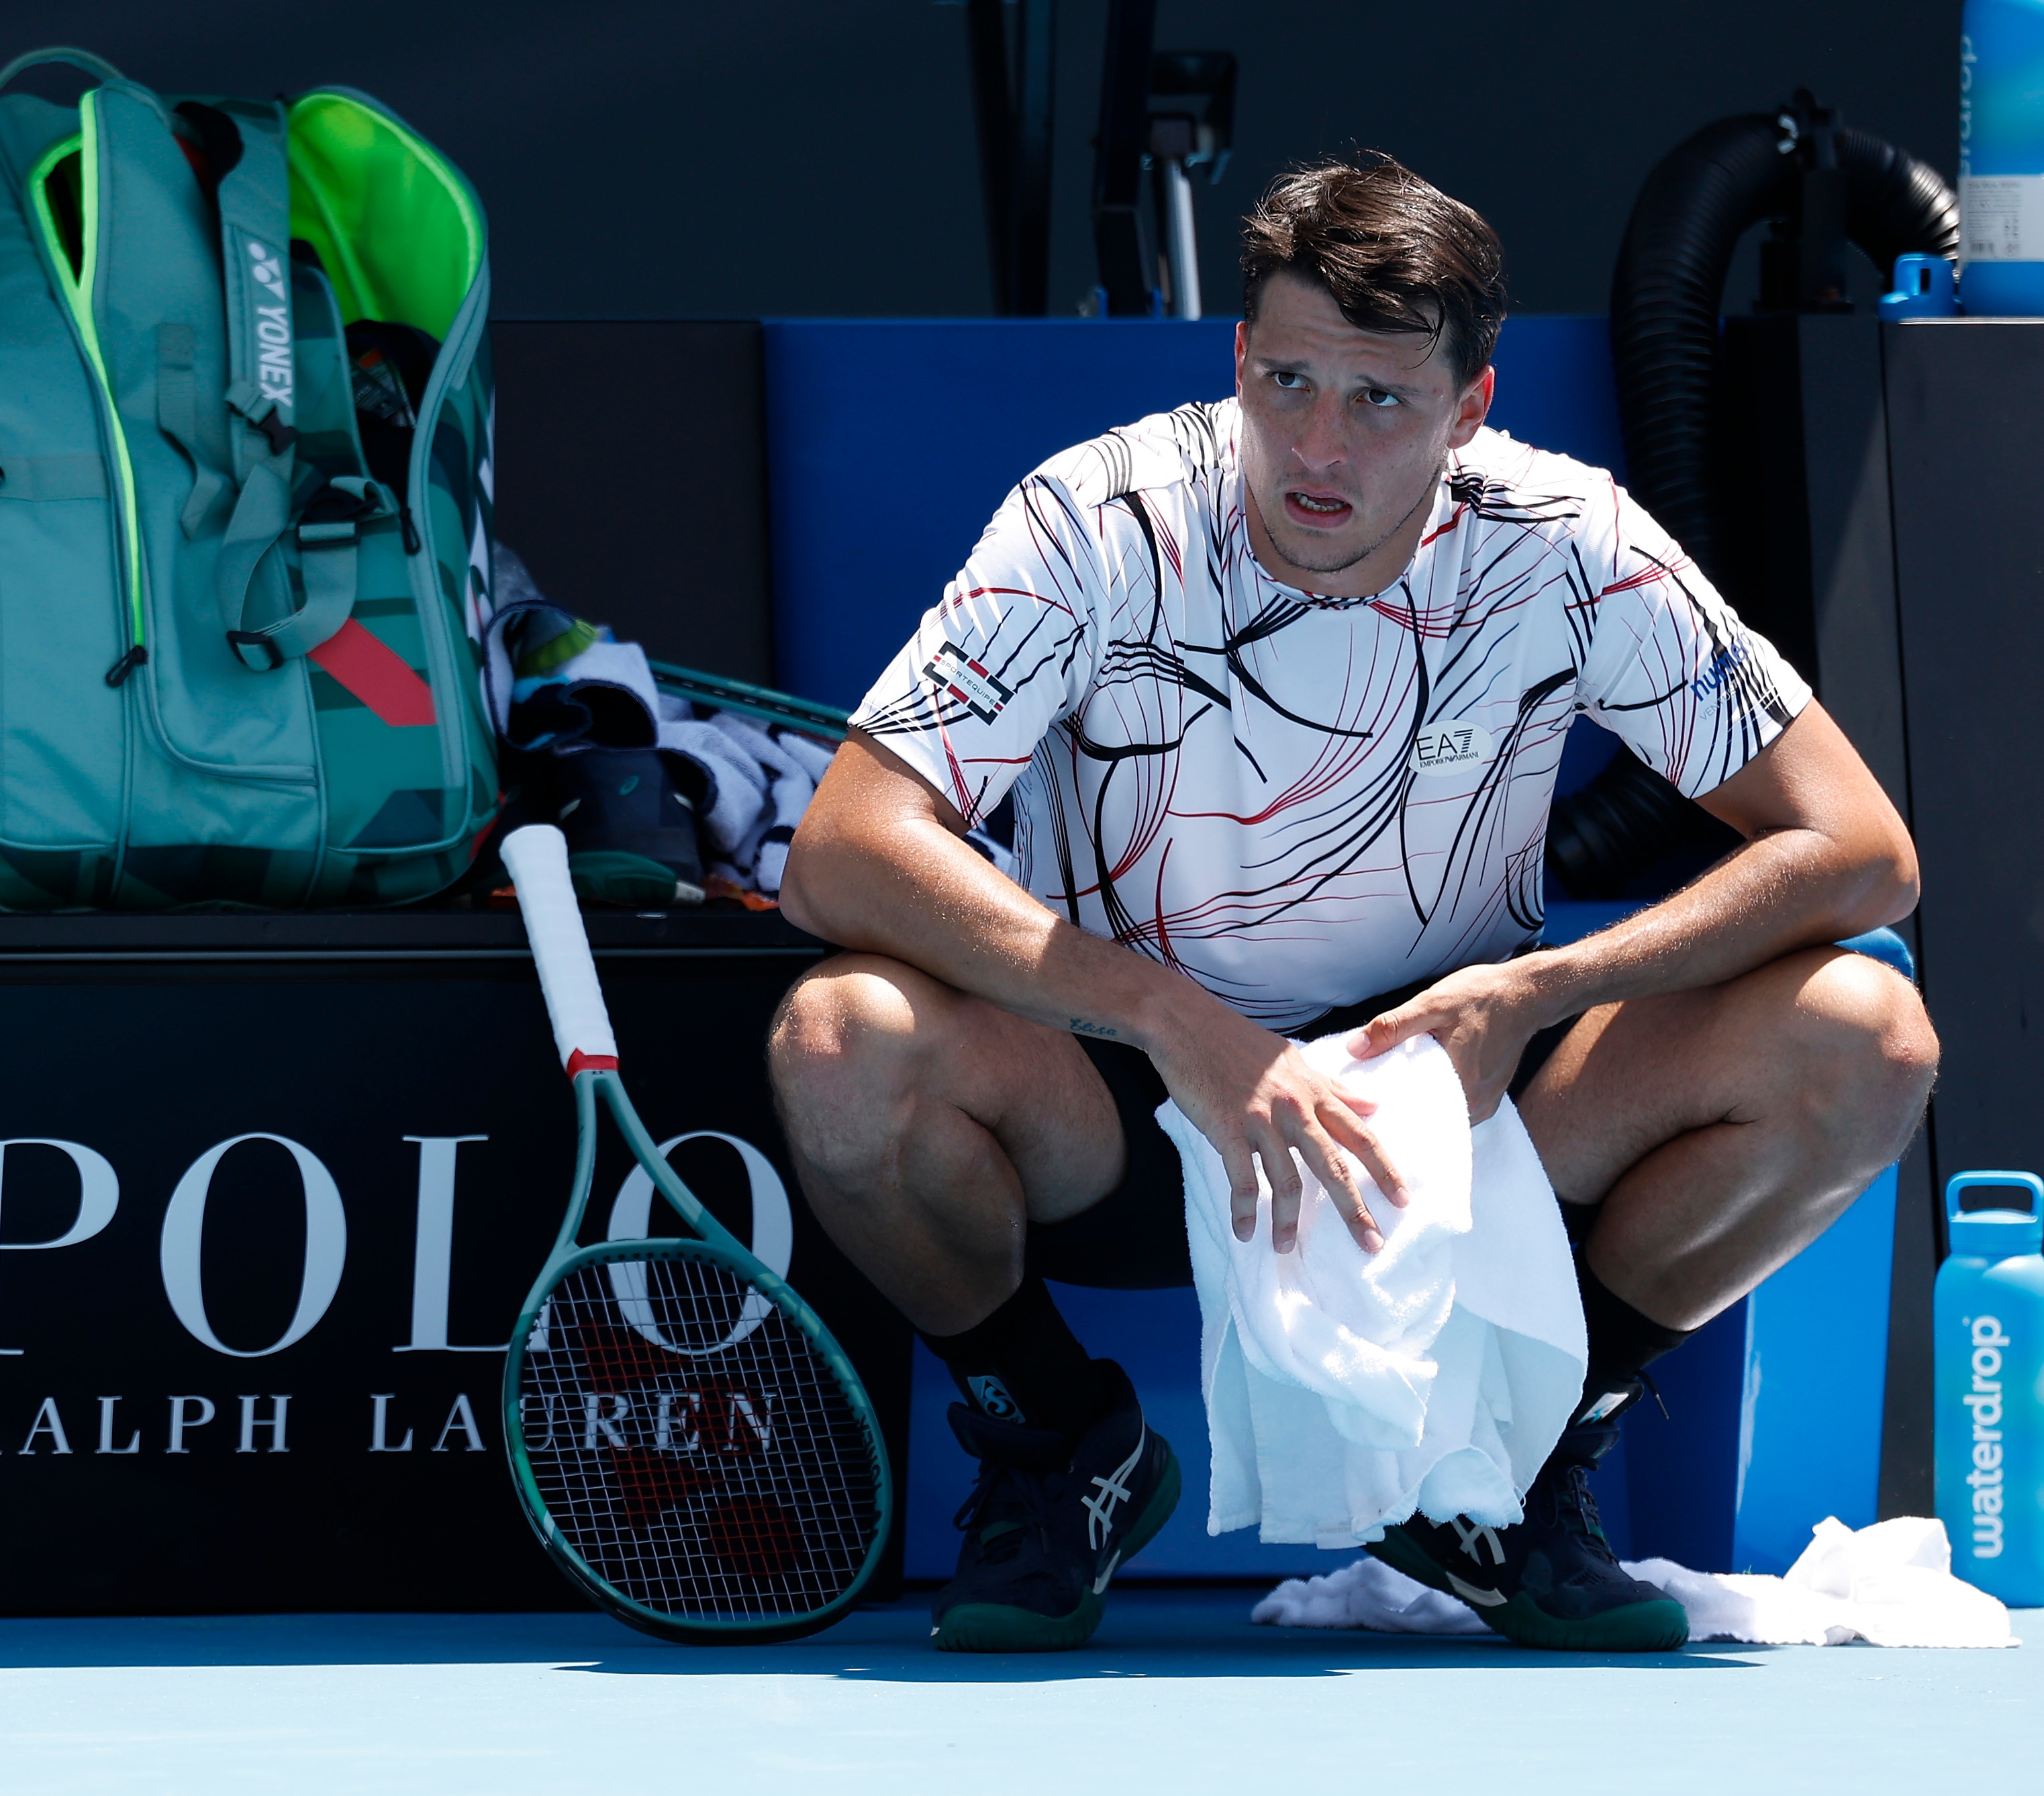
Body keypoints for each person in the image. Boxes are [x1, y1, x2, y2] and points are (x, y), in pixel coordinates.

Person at [767, 155, 1938, 1655]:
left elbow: (1858, 849)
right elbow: (844, 849)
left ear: (1470, 410)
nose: (1317, 447)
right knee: (841, 1042)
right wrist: (1166, 1017)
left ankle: (1511, 1472)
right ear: (1238, 362)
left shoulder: (1568, 543)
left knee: (1867, 1038)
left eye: (1379, 401)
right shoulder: (1093, 520)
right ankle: (1063, 1446)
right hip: (1127, 1106)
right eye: (1288, 382)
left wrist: (1529, 998)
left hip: (1449, 1121)